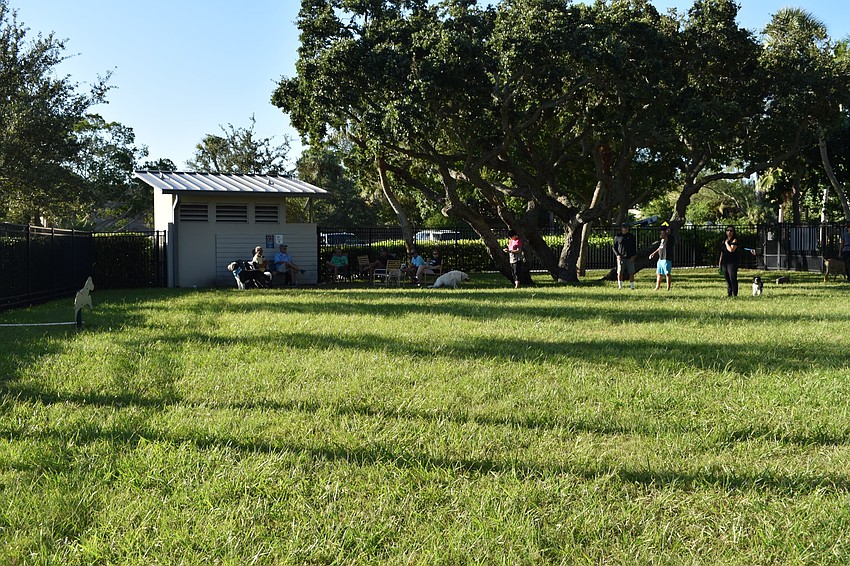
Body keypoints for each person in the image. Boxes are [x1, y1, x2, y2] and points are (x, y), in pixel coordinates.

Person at [612, 223, 637, 289]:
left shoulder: (631, 236)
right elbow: (614, 247)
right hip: (621, 257)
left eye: (626, 228)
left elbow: (634, 247)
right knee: (620, 271)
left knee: (631, 272)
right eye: (624, 227)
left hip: (630, 257)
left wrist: (633, 256)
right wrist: (617, 255)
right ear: (621, 228)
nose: (625, 229)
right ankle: (620, 286)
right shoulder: (618, 236)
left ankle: (632, 286)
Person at [718, 225, 739, 297]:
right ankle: (729, 293)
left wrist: (727, 243)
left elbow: (731, 250)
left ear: (733, 232)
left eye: (731, 230)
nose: (729, 232)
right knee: (727, 278)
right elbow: (722, 252)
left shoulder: (734, 240)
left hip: (732, 262)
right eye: (727, 230)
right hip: (725, 262)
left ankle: (734, 293)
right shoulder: (723, 240)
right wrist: (720, 263)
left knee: (732, 277)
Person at [648, 226, 672, 291]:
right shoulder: (662, 240)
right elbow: (660, 248)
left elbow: (665, 236)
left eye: (662, 232)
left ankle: (668, 288)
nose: (660, 234)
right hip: (660, 258)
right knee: (659, 273)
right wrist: (653, 253)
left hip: (666, 258)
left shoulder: (669, 238)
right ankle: (657, 287)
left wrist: (666, 231)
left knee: (667, 273)